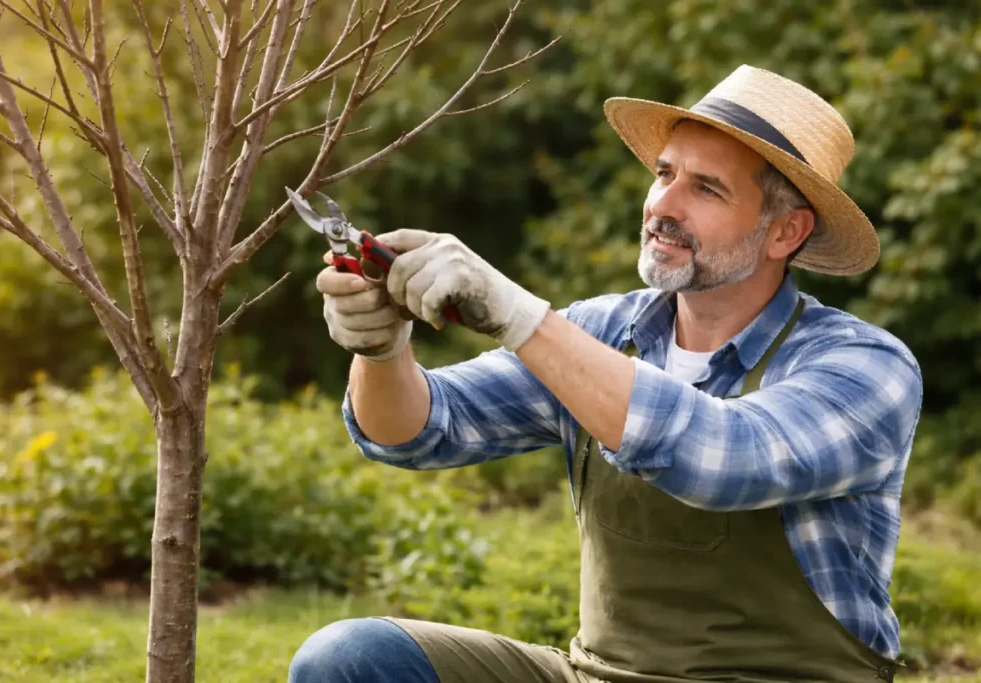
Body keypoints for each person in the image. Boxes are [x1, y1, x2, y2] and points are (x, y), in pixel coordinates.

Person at [288, 65, 923, 683]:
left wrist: (518, 315)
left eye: (707, 189)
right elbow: (419, 431)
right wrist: (381, 350)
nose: (663, 204)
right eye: (664, 174)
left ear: (785, 231)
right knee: (352, 659)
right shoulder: (601, 332)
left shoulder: (865, 367)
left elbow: (729, 458)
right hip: (602, 673)